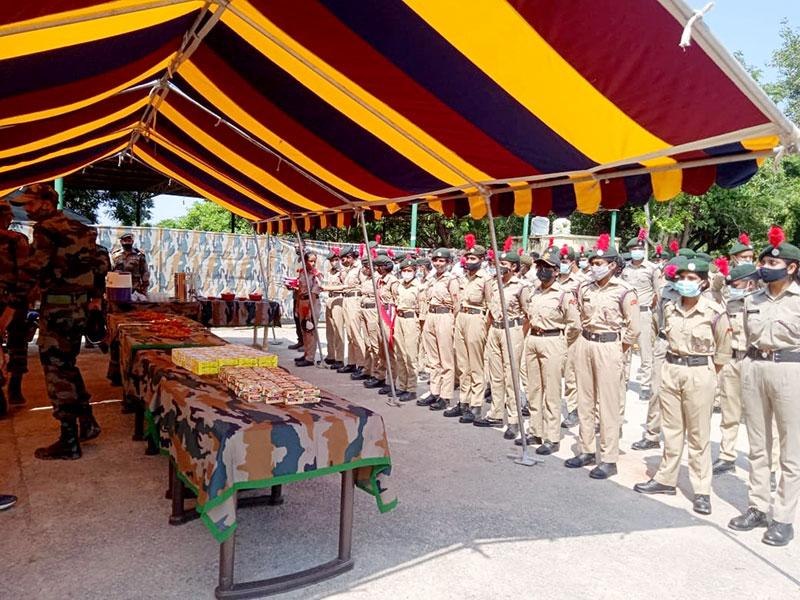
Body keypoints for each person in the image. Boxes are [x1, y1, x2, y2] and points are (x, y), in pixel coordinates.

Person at [9, 184, 104, 459]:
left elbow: (33, 269)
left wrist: (13, 305)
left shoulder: (46, 229)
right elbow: (99, 265)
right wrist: (94, 300)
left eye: (30, 203)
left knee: (55, 372)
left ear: (47, 202)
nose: (26, 209)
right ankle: (86, 422)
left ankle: (69, 440)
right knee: (68, 366)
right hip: (79, 310)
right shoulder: (81, 229)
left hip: (58, 311)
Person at [634, 257, 731, 515]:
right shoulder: (670, 307)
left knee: (699, 435)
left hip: (700, 371)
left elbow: (723, 351)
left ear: (703, 282)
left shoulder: (714, 311)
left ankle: (701, 490)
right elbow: (658, 333)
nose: (685, 283)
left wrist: (707, 373)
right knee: (672, 429)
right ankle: (665, 479)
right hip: (672, 369)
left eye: (692, 279)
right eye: (682, 279)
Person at [729, 227, 800, 546]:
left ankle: (783, 517)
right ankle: (757, 506)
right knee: (758, 444)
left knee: (790, 450)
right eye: (763, 263)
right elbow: (746, 333)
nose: (765, 268)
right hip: (755, 366)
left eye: (773, 264)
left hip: (790, 369)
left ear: (792, 267)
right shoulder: (752, 299)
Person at [566, 234, 640, 480]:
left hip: (610, 346)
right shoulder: (584, 287)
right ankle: (586, 449)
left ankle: (609, 458)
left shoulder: (624, 291)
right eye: (593, 263)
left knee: (608, 404)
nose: (594, 267)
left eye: (600, 264)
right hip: (586, 342)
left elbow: (634, 328)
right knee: (585, 400)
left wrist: (620, 349)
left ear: (612, 265)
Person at [520, 247, 580, 454]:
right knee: (534, 389)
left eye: (548, 268)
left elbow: (575, 324)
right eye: (540, 267)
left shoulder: (564, 294)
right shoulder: (534, 291)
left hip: (553, 340)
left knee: (552, 391)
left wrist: (563, 343)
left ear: (556, 271)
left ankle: (552, 437)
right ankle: (536, 430)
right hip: (534, 340)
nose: (543, 271)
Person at [473, 238, 527, 440]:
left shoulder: (521, 286)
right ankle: (496, 413)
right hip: (495, 329)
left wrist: (519, 333)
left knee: (511, 376)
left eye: (504, 264)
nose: (500, 267)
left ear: (514, 267)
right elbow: (489, 308)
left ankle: (514, 419)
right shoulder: (492, 284)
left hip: (512, 330)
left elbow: (527, 314)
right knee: (495, 375)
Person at [631, 256, 682, 451]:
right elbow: (657, 316)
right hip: (664, 342)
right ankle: (652, 434)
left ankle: (676, 438)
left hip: (686, 348)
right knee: (656, 390)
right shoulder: (664, 291)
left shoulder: (704, 294)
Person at [712, 262, 759, 474]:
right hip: (731, 361)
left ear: (750, 283)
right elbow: (715, 286)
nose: (732, 287)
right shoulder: (729, 303)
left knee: (760, 417)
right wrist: (724, 274)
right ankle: (727, 455)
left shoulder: (761, 302)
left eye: (737, 283)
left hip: (754, 362)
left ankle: (769, 465)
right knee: (729, 412)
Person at [451, 234, 491, 422]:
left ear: (482, 260)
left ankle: (476, 404)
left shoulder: (486, 279)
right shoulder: (463, 278)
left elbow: (491, 305)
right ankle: (463, 401)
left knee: (476, 365)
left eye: (473, 258)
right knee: (462, 364)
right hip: (462, 317)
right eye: (467, 257)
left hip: (476, 319)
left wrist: (486, 327)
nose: (469, 261)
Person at [417, 248, 459, 411]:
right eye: (435, 260)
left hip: (445, 316)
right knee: (433, 359)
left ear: (448, 263)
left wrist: (453, 324)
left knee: (446, 359)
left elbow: (456, 305)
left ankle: (445, 396)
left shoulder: (451, 280)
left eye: (442, 261)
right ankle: (434, 391)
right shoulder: (432, 279)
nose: (438, 263)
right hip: (431, 315)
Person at [0, 200, 31, 414]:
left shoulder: (16, 239)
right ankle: (14, 388)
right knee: (17, 342)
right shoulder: (17, 240)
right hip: (13, 299)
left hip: (12, 300)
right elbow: (25, 274)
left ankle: (12, 389)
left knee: (17, 341)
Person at [622, 229, 660, 401]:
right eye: (633, 249)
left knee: (645, 350)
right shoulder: (625, 269)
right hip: (627, 314)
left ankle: (645, 384)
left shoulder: (652, 269)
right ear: (630, 251)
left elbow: (657, 294)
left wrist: (651, 311)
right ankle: (623, 380)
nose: (636, 251)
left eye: (639, 248)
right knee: (625, 348)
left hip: (644, 312)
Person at [557, 245, 585, 429]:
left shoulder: (581, 281)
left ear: (572, 263)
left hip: (573, 332)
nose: (562, 265)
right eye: (560, 261)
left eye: (565, 262)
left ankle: (574, 410)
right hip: (554, 331)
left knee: (571, 373)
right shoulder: (554, 279)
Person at [392, 258, 421, 402]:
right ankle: (402, 386)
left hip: (411, 319)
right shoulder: (399, 285)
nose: (406, 273)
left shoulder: (419, 287)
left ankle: (411, 388)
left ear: (415, 271)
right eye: (404, 271)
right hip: (399, 319)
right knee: (399, 354)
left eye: (409, 271)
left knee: (410, 355)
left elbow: (422, 307)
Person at [371, 254, 398, 393]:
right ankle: (380, 376)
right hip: (380, 313)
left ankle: (392, 380)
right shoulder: (379, 281)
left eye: (379, 266)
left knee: (390, 349)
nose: (377, 269)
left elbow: (397, 300)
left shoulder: (393, 281)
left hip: (389, 315)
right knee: (381, 348)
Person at [336, 246, 365, 374]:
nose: (343, 261)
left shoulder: (360, 268)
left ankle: (362, 364)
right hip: (346, 299)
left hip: (355, 300)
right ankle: (352, 362)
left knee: (356, 334)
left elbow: (364, 286)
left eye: (344, 259)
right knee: (350, 334)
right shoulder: (348, 269)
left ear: (350, 257)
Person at [294, 251, 321, 367]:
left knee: (310, 330)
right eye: (311, 261)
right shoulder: (302, 273)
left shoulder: (316, 274)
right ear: (305, 261)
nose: (313, 264)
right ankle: (306, 353)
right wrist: (296, 306)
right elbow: (299, 290)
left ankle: (310, 358)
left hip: (312, 303)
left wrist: (310, 310)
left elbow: (314, 293)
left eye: (315, 261)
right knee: (303, 329)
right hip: (302, 301)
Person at [322, 248, 345, 370]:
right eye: (331, 260)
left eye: (336, 259)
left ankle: (340, 358)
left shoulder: (342, 272)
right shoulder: (330, 272)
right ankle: (331, 355)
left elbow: (345, 287)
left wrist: (328, 288)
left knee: (338, 330)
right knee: (329, 330)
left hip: (338, 299)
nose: (334, 262)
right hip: (330, 299)